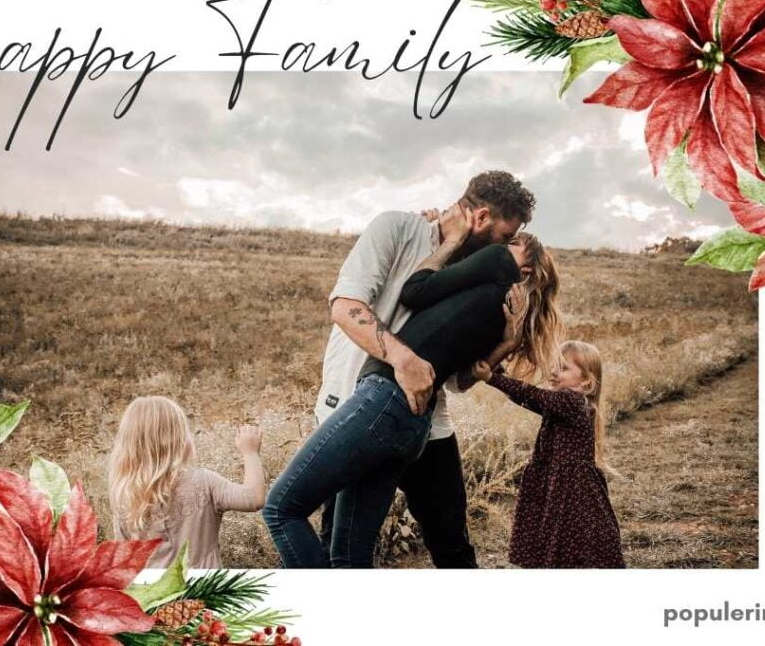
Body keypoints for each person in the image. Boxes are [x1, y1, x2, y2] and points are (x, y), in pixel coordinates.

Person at [263, 231, 562, 568]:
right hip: (414, 425)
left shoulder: (496, 263)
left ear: (522, 267)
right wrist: (506, 345)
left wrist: (450, 242)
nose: (500, 247)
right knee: (348, 553)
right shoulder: (496, 309)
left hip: (384, 400)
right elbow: (462, 380)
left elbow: (413, 289)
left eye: (511, 245)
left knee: (281, 509)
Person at [311, 171, 537, 568]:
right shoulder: (396, 227)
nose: (503, 252)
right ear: (481, 217)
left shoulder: (474, 273)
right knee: (340, 545)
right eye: (504, 237)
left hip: (426, 421)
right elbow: (345, 307)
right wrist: (403, 359)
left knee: (451, 541)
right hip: (354, 406)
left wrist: (506, 342)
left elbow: (459, 381)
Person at [472, 340, 626, 568]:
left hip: (572, 487)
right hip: (560, 482)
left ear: (586, 381)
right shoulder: (561, 403)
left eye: (564, 368)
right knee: (565, 533)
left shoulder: (571, 401)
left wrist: (492, 379)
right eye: (554, 365)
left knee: (573, 533)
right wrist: (497, 372)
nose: (554, 371)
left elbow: (532, 395)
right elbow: (525, 398)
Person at [107, 396, 266, 569]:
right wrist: (250, 453)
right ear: (178, 439)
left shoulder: (125, 496)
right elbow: (254, 498)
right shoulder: (203, 482)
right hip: (205, 591)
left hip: (156, 594)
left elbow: (123, 562)